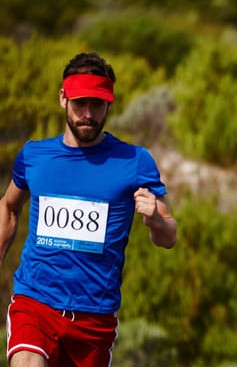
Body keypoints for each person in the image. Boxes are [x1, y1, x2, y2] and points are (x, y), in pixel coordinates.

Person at [0, 52, 178, 367]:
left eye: (97, 104)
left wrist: (154, 220)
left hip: (94, 317)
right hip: (35, 303)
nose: (88, 113)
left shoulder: (134, 160)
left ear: (109, 104)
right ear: (62, 98)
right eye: (80, 103)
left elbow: (168, 236)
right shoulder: (34, 156)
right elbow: (9, 207)